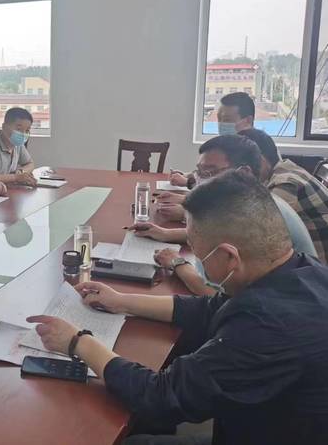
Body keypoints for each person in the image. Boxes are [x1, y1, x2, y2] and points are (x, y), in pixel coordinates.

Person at [28, 171, 328, 445]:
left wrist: (78, 342)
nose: (197, 261)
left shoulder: (267, 325)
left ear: (229, 257)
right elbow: (209, 308)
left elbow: (161, 396)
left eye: (198, 252)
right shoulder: (302, 270)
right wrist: (121, 300)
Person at [131, 135, 316, 296]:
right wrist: (164, 233)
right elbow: (216, 235)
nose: (201, 180)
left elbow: (214, 294)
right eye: (199, 172)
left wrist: (178, 263)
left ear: (244, 172)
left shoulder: (256, 213)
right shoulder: (247, 201)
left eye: (210, 172)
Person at [239, 127, 328, 264]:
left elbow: (260, 232)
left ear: (260, 161)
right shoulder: (285, 168)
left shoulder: (285, 184)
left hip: (319, 268)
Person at [168, 92, 255, 187]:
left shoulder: (254, 151)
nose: (221, 124)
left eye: (227, 120)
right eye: (219, 119)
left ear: (248, 120)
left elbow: (226, 188)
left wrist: (188, 182)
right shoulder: (227, 144)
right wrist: (188, 175)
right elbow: (211, 174)